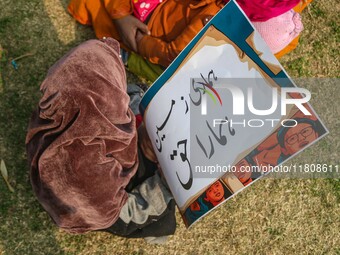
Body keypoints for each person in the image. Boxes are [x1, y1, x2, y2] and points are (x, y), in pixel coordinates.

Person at [25, 38, 176, 242]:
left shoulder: (61, 111)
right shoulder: (88, 177)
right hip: (104, 210)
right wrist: (164, 186)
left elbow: (109, 99)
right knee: (161, 220)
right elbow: (125, 215)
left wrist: (136, 96)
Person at [67, 0, 311, 81]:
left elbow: (173, 53)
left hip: (149, 27)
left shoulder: (213, 18)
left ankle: (129, 58)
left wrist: (139, 43)